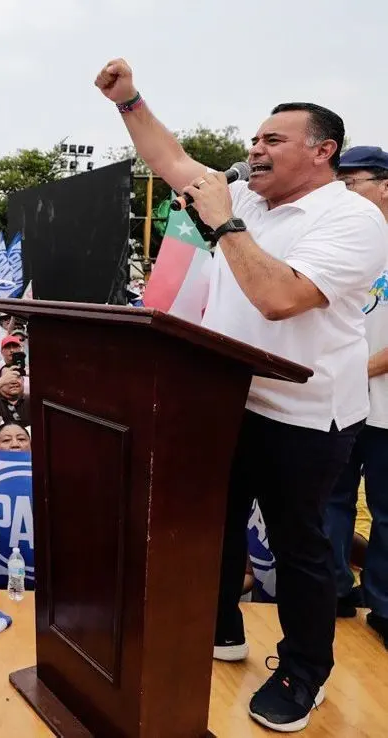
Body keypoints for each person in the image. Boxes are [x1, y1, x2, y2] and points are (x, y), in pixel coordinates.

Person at [96, 58, 388, 731]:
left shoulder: (350, 219)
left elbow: (279, 298)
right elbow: (170, 159)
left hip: (305, 415)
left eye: (272, 141)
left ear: (322, 152)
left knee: (300, 547)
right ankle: (222, 627)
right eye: (253, 140)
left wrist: (225, 224)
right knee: (212, 529)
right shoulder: (249, 198)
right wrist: (128, 99)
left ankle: (302, 670)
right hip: (224, 403)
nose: (253, 150)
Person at [324, 145, 388, 641]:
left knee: (385, 510)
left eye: (352, 181)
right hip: (338, 404)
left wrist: (354, 369)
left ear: (384, 185)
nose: (341, 190)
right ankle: (334, 590)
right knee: (331, 500)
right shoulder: (341, 239)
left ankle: (384, 607)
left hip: (382, 404)